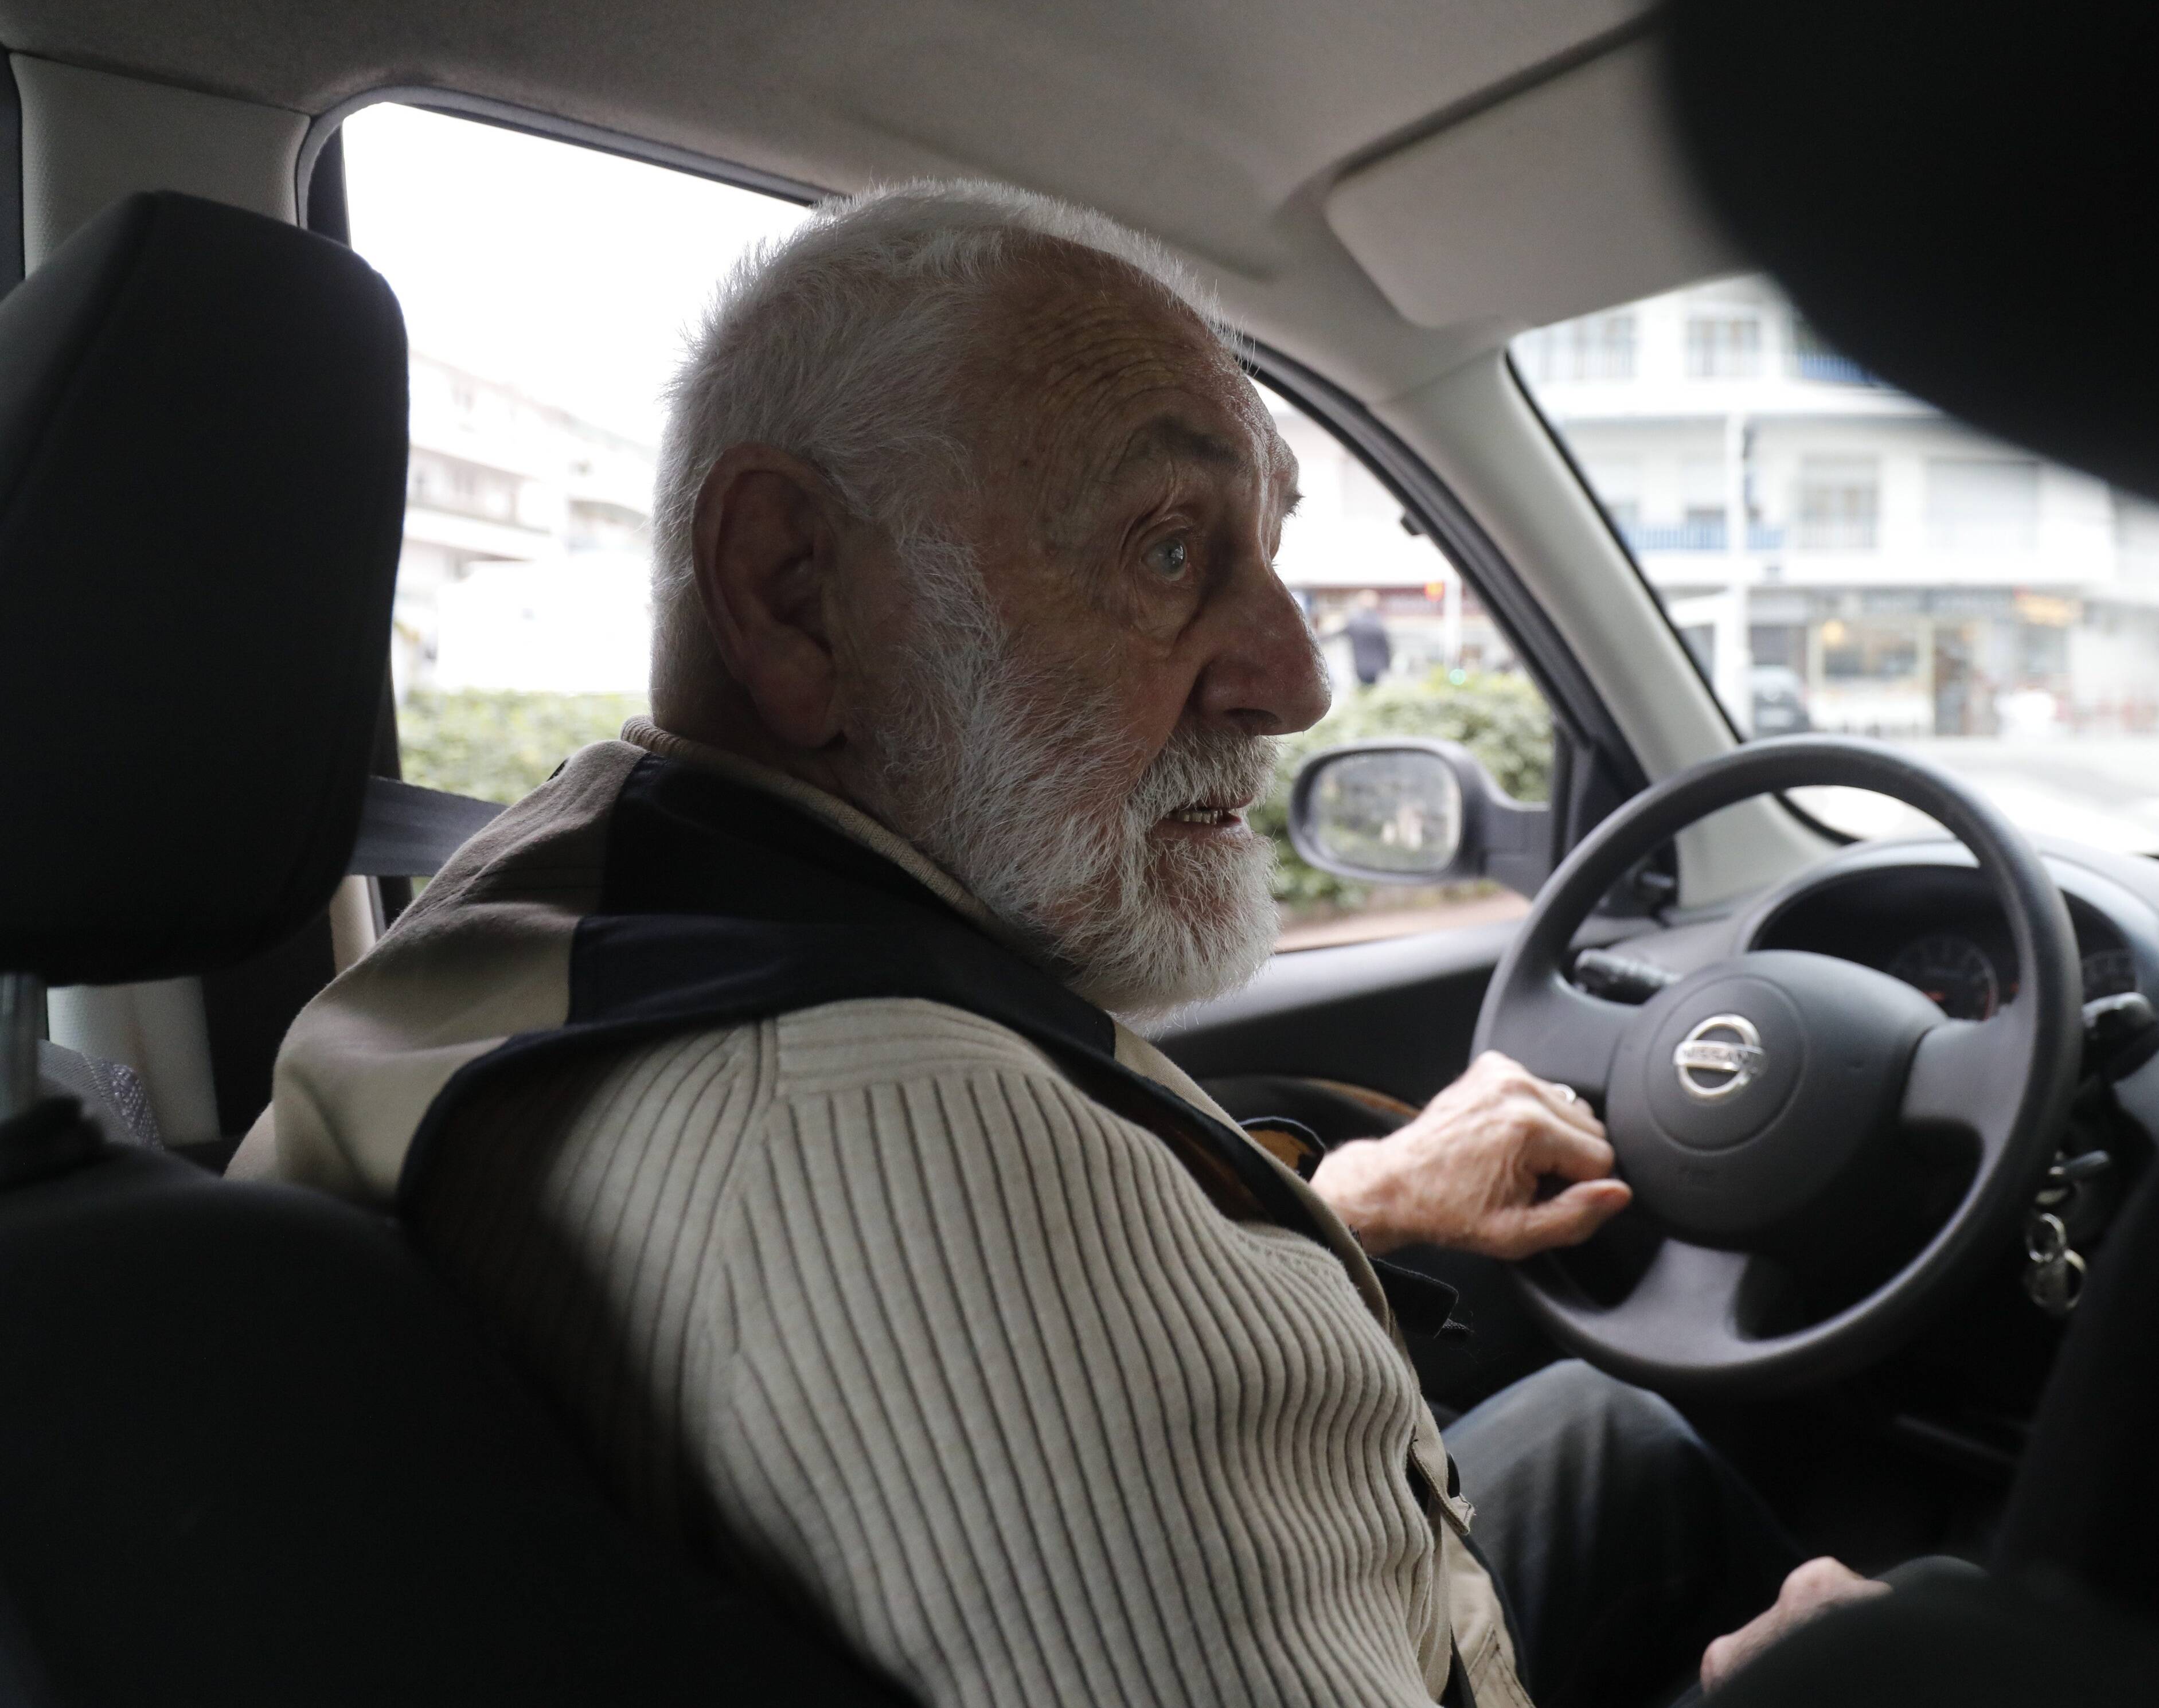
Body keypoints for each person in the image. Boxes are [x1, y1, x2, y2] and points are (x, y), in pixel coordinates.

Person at [244, 183, 1888, 1707]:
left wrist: (1351, 1205)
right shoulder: (924, 1166)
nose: (1296, 679)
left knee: (1618, 1435)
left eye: (1268, 550)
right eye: (1167, 548)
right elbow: (983, 1289)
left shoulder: (565, 889)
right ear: (794, 591)